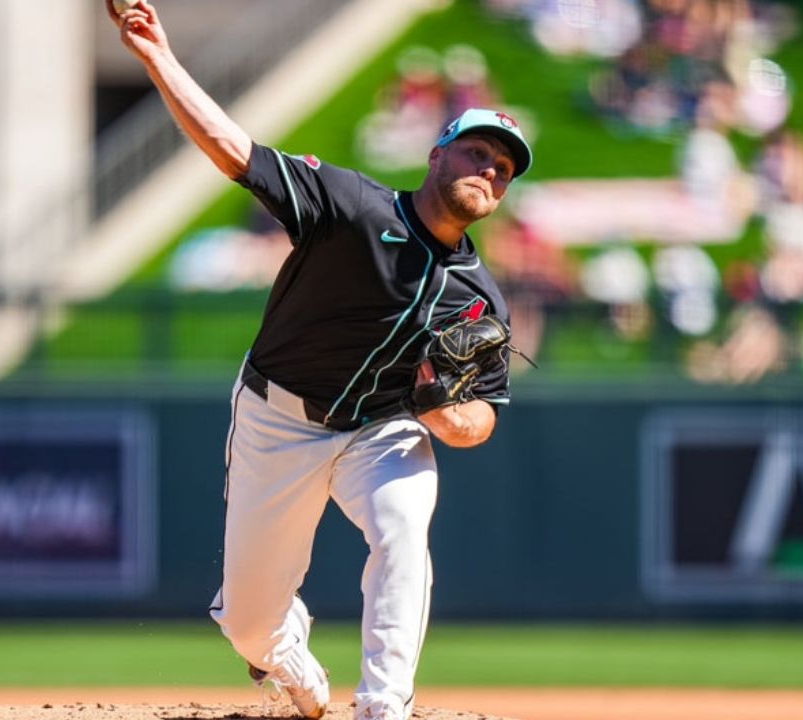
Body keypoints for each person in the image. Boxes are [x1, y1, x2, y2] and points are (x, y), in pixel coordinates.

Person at [105, 3, 531, 719]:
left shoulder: (479, 300)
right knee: (248, 621)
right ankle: (291, 663)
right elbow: (235, 151)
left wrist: (450, 416)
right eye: (476, 152)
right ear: (437, 155)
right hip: (281, 417)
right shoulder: (354, 207)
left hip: (385, 429)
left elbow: (481, 415)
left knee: (403, 530)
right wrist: (157, 57)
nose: (489, 169)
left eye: (503, 168)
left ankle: (383, 705)